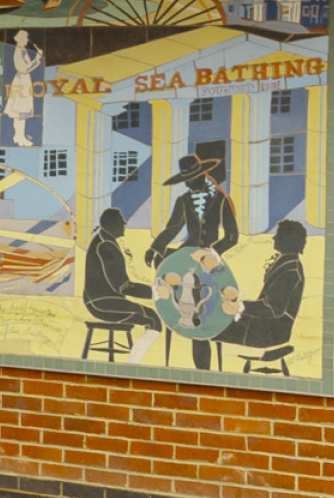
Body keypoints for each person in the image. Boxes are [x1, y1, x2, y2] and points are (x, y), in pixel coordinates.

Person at [150, 152, 241, 367]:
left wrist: (211, 253)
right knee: (163, 266)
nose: (187, 184)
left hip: (211, 260)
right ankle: (176, 317)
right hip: (186, 255)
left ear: (201, 175)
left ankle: (203, 362)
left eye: (190, 179)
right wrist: (155, 247)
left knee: (206, 305)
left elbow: (231, 237)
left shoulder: (221, 199)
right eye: (185, 180)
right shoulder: (183, 201)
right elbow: (172, 228)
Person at [225, 221, 308, 359]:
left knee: (212, 329)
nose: (274, 238)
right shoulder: (287, 263)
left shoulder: (290, 271)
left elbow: (272, 308)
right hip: (265, 326)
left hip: (269, 333)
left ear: (288, 239)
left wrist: (239, 306)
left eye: (278, 235)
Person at [81, 207, 155, 355]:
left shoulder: (104, 241)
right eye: (121, 222)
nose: (124, 225)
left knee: (150, 315)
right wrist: (154, 293)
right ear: (112, 224)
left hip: (100, 300)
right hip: (103, 303)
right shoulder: (106, 245)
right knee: (152, 318)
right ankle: (136, 360)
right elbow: (122, 287)